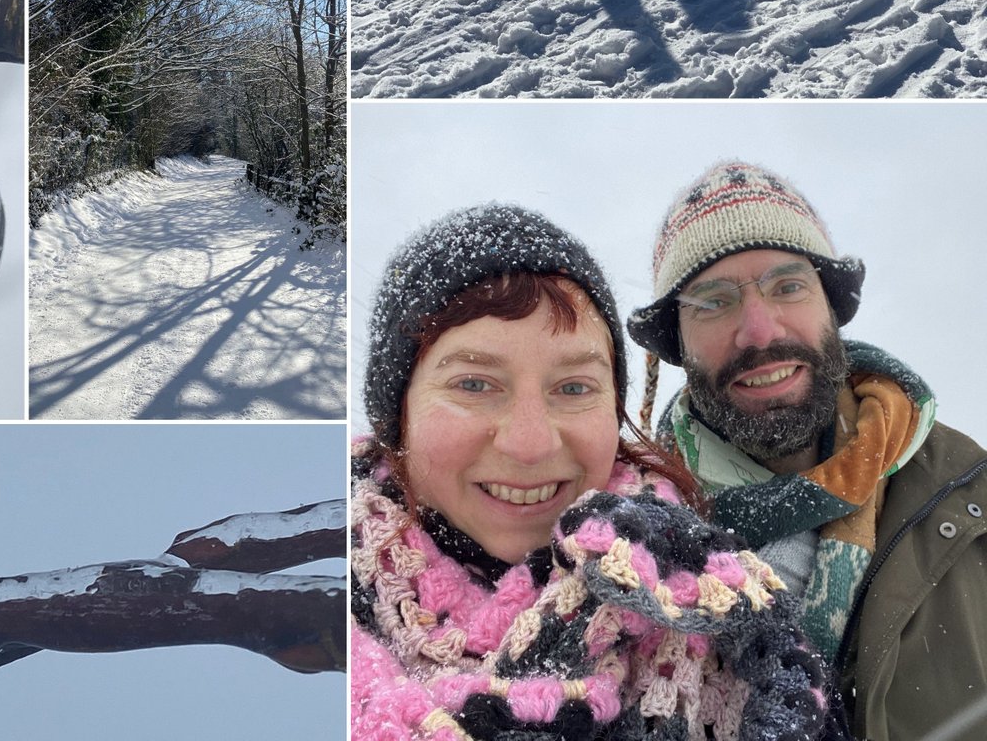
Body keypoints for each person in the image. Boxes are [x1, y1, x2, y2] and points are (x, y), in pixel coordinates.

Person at [352, 203, 844, 741]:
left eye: (573, 388)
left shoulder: (729, 619)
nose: (530, 443)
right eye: (474, 384)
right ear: (396, 414)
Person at [628, 161, 987, 741]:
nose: (760, 331)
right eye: (712, 302)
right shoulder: (628, 538)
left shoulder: (972, 496)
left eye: (787, 286)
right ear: (676, 343)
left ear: (832, 306)